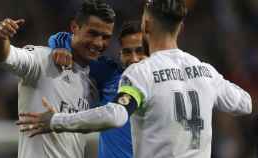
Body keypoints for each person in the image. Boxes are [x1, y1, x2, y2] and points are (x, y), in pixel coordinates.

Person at [16, 0, 252, 158]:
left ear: (146, 24)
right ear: (180, 27)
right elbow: (245, 103)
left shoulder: (141, 73)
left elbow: (117, 115)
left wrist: (56, 121)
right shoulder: (205, 71)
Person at [0, 0, 115, 157]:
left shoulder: (93, 85)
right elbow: (3, 56)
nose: (98, 43)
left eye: (106, 37)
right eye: (93, 33)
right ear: (75, 28)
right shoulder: (42, 60)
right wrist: (1, 38)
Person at [48, 21, 148, 158]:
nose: (134, 59)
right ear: (120, 54)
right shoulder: (109, 74)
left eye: (140, 51)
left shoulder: (165, 82)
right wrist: (61, 47)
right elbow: (62, 38)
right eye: (127, 52)